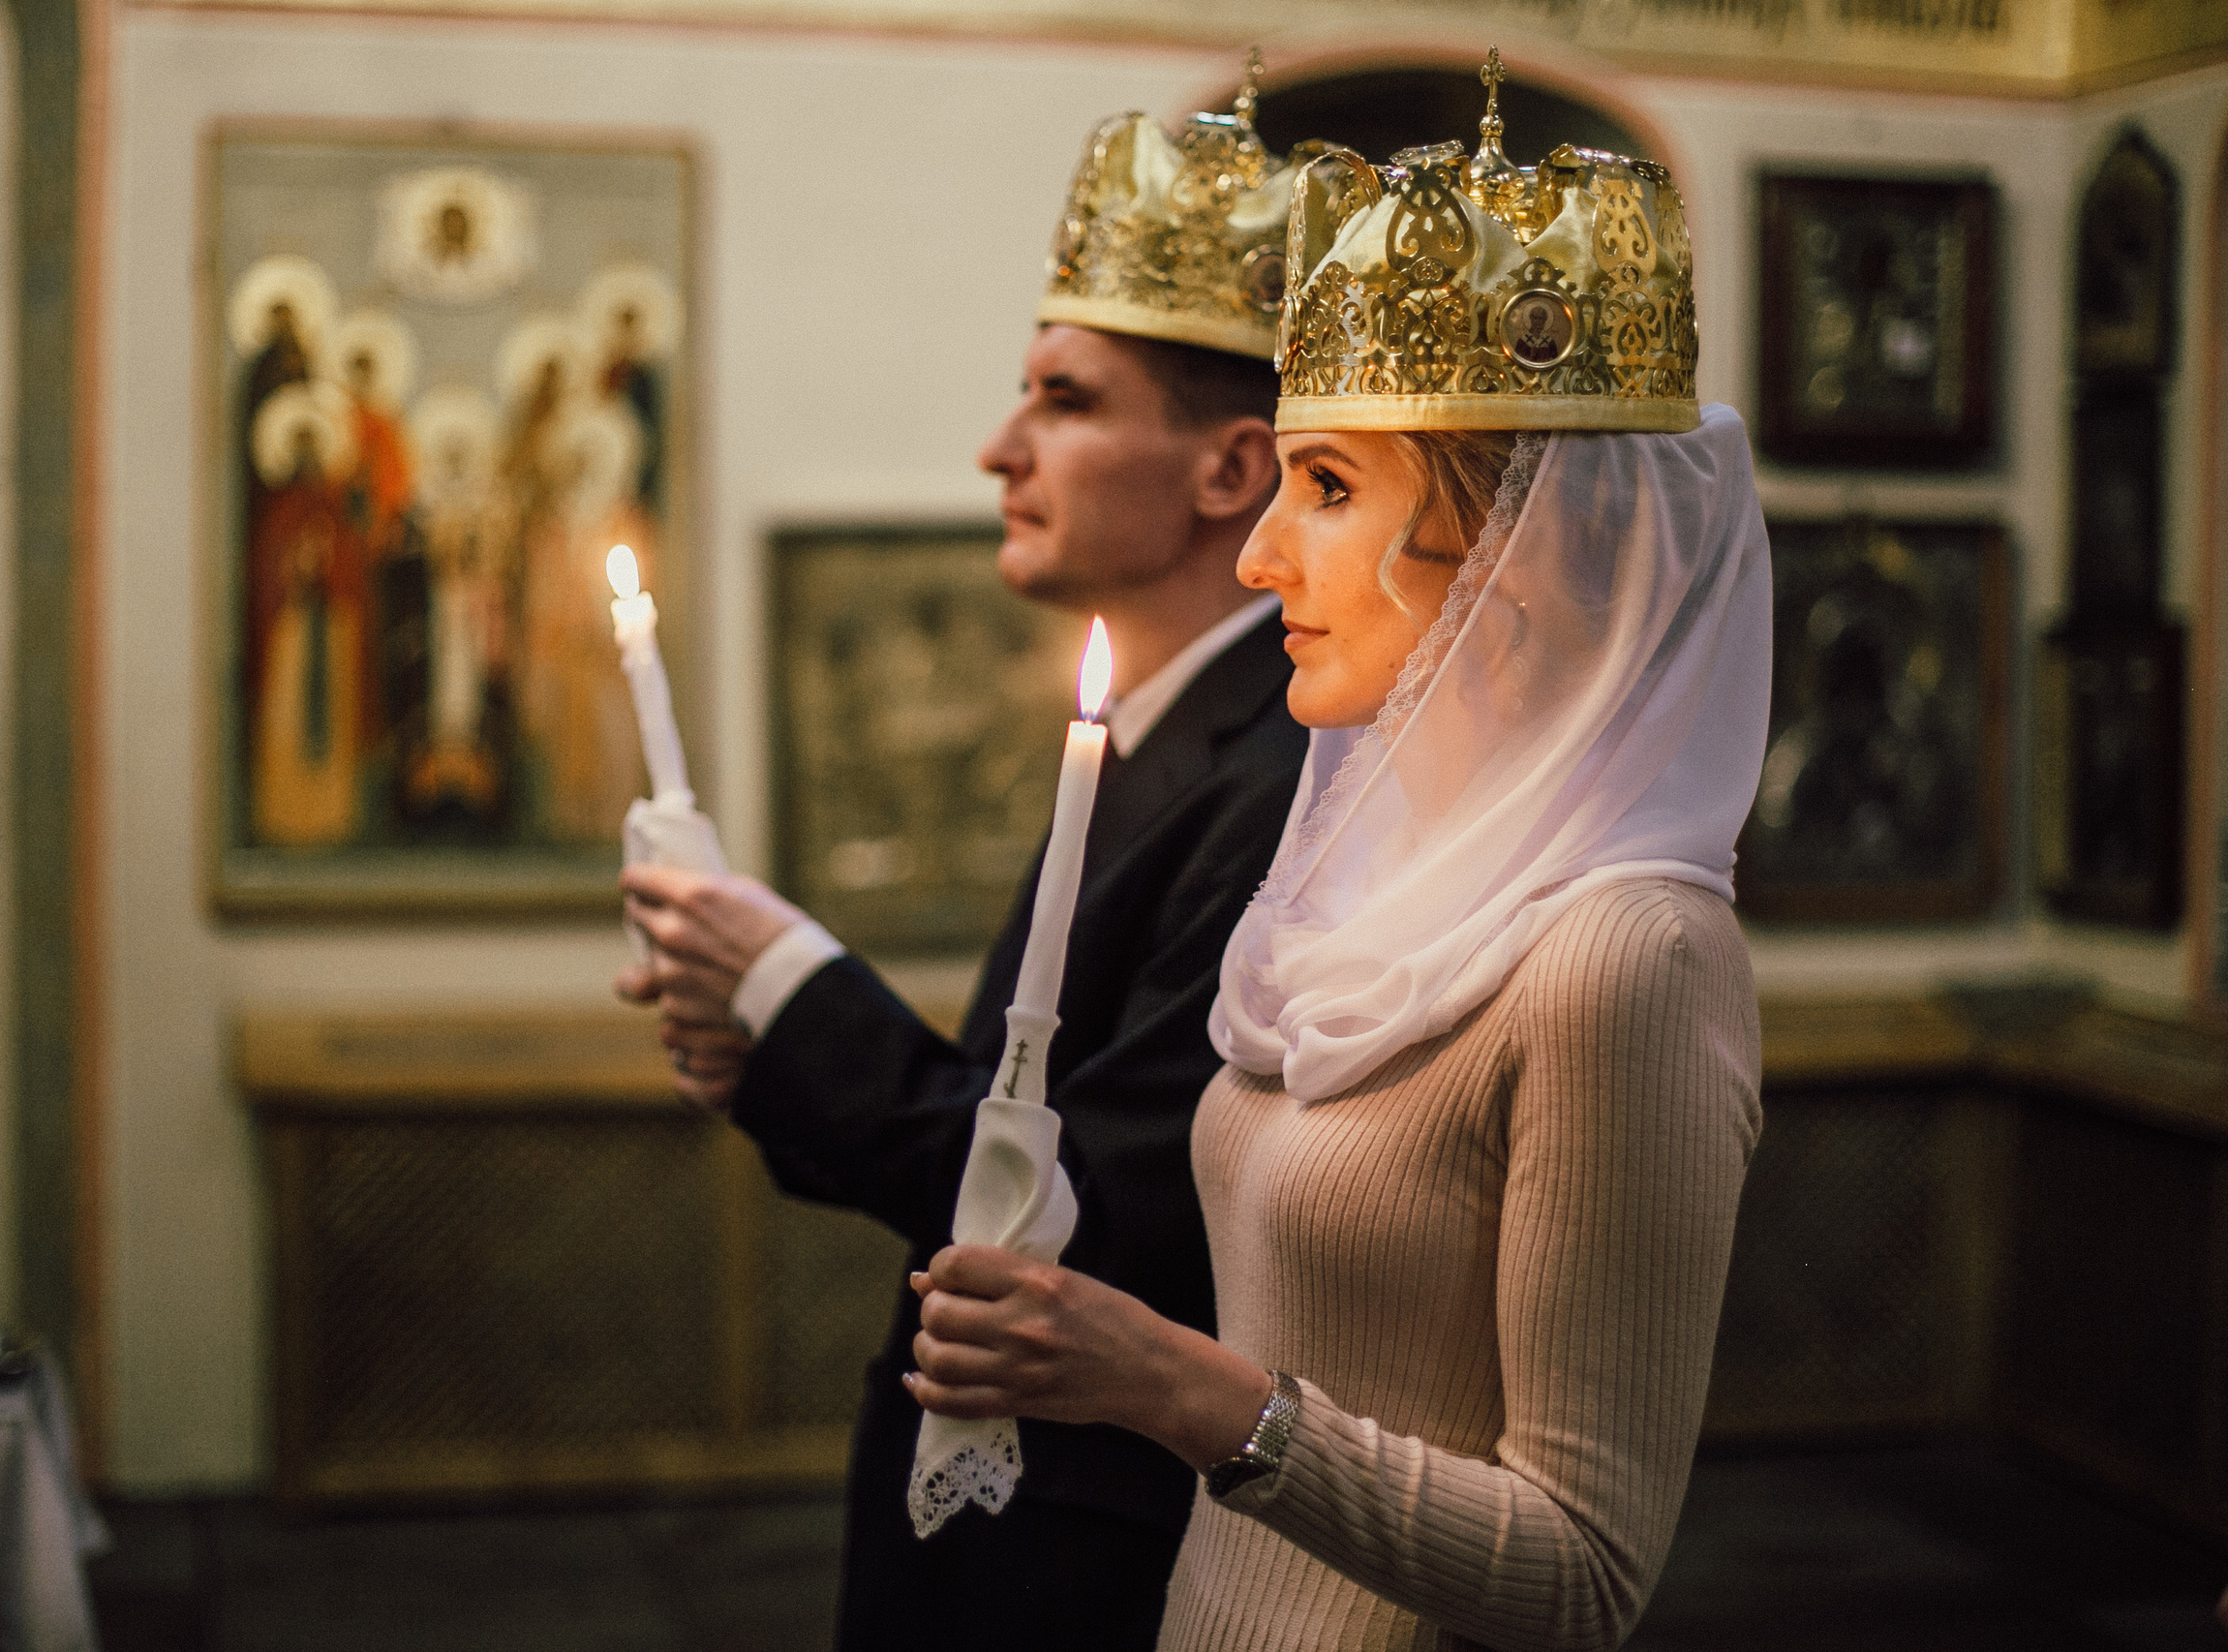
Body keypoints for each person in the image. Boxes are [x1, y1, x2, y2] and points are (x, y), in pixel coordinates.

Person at [903, 71, 1775, 1652]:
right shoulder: (1365, 874)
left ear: (1529, 544)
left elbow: (1584, 1573)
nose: (1258, 555)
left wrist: (1178, 1387)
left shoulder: (1624, 956)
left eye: (1327, 488)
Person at [619, 65, 1313, 1652]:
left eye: (1066, 400)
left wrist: (790, 982)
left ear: (1230, 468)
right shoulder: (1152, 731)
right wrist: (757, 1053)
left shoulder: (1272, 774)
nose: (1002, 446)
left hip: (1103, 1548)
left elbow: (1083, 1216)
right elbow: (1003, 1140)